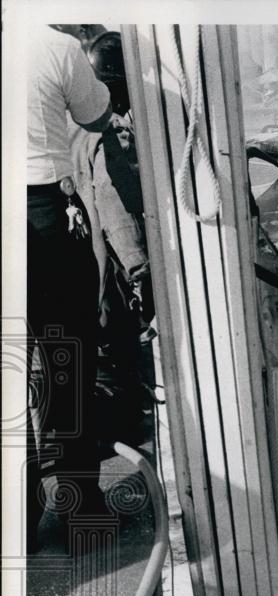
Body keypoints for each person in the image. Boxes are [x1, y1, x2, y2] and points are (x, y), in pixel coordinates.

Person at [26, 25, 113, 550]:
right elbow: (96, 115)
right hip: (42, 216)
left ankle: (17, 526)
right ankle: (82, 515)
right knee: (67, 360)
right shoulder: (53, 46)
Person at [69, 30, 151, 446]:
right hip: (114, 273)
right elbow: (115, 204)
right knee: (120, 352)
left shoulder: (75, 129)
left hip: (87, 272)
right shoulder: (109, 137)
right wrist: (142, 272)